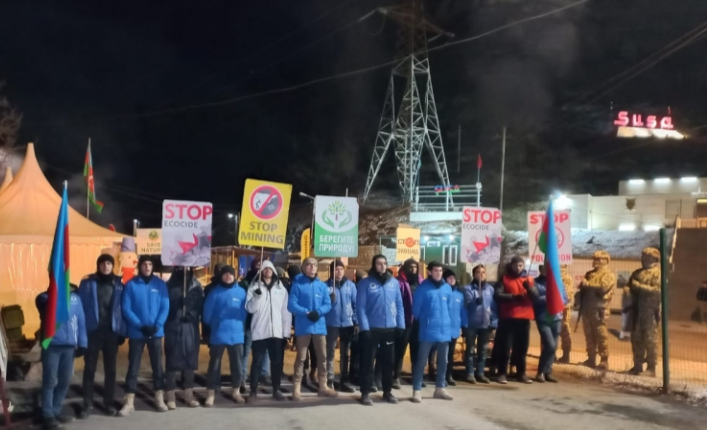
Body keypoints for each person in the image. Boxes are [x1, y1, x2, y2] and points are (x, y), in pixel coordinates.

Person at [77, 254, 126, 418]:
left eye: (108, 263)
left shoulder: (119, 284)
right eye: (102, 263)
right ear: (97, 265)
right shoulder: (87, 283)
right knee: (89, 368)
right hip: (92, 331)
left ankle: (108, 403)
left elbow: (122, 309)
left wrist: (122, 331)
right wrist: (81, 333)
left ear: (112, 266)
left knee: (110, 370)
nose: (105, 266)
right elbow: (80, 309)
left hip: (111, 331)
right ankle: (87, 404)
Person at [120, 255, 170, 416]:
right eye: (144, 264)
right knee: (133, 366)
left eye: (150, 264)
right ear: (139, 266)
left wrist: (157, 325)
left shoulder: (160, 284)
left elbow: (165, 306)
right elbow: (126, 308)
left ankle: (159, 398)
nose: (147, 267)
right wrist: (140, 325)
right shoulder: (131, 285)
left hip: (155, 332)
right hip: (137, 332)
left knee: (157, 366)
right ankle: (129, 401)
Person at [36, 284, 87, 429]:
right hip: (52, 345)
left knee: (65, 380)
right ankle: (48, 415)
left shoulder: (76, 299)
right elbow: (44, 309)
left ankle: (56, 410)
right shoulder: (45, 297)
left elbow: (81, 321)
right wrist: (54, 296)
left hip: (69, 346)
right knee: (50, 381)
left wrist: (83, 343)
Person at [357, 254, 405, 406]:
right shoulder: (365, 283)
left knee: (388, 363)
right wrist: (364, 328)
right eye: (379, 263)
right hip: (372, 329)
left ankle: (387, 391)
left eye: (384, 263)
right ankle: (365, 392)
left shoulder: (394, 283)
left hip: (389, 329)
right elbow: (361, 307)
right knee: (367, 362)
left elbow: (399, 305)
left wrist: (400, 325)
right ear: (374, 265)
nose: (382, 266)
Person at [288, 257, 337, 400]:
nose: (312, 267)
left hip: (319, 327)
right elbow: (291, 305)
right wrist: (306, 312)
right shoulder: (297, 284)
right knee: (301, 358)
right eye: (308, 264)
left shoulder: (321, 286)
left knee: (322, 357)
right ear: (303, 267)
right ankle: (296, 388)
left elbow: (327, 304)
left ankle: (323, 386)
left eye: (314, 265)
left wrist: (319, 312)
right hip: (303, 327)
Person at [245, 260, 292, 401]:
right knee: (257, 362)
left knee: (277, 362)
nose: (267, 271)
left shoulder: (280, 289)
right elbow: (250, 308)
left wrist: (286, 331)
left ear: (273, 271)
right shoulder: (254, 287)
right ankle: (253, 391)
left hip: (276, 332)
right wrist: (257, 297)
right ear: (261, 271)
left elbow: (286, 311)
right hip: (260, 331)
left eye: (270, 269)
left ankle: (276, 389)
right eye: (265, 269)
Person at [203, 265, 247, 406]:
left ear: (235, 276)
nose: (228, 277)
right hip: (219, 334)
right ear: (221, 276)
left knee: (237, 365)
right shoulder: (214, 293)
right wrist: (215, 324)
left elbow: (245, 311)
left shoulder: (241, 292)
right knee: (214, 365)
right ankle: (211, 392)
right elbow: (206, 315)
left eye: (231, 274)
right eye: (225, 274)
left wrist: (239, 321)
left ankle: (236, 391)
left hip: (237, 335)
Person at [411, 261, 454, 403]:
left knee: (443, 361)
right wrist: (426, 321)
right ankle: (417, 390)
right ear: (429, 272)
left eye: (440, 270)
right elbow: (416, 311)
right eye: (435, 270)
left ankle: (440, 388)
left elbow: (450, 308)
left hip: (444, 330)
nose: (438, 273)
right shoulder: (423, 289)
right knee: (421, 361)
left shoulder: (447, 288)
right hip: (428, 330)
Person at [494, 256, 538, 385]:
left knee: (522, 348)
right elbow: (497, 295)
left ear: (523, 266)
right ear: (511, 265)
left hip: (524, 318)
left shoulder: (529, 280)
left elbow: (536, 297)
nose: (518, 268)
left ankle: (521, 373)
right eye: (516, 265)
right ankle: (502, 373)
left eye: (520, 266)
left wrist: (529, 288)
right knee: (505, 347)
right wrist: (514, 297)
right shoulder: (504, 278)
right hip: (508, 317)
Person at [164, 267, 203, 409]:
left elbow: (200, 306)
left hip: (190, 326)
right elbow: (164, 305)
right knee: (172, 361)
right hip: (174, 326)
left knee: (190, 360)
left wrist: (191, 314)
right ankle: (170, 395)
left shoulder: (196, 286)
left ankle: (188, 394)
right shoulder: (169, 286)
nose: (184, 271)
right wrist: (175, 307)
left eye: (187, 268)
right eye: (181, 268)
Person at [578, 251, 616, 370]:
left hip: (599, 309)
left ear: (606, 261)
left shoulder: (608, 275)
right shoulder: (589, 274)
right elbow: (582, 288)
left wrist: (587, 285)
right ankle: (591, 358)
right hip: (587, 308)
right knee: (589, 335)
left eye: (599, 259)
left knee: (601, 335)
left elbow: (602, 289)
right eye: (595, 259)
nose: (596, 262)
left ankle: (604, 360)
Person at [627, 248, 661, 377]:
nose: (643, 259)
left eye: (646, 257)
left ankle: (651, 368)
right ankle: (637, 365)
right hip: (636, 310)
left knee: (650, 339)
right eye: (642, 256)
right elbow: (629, 286)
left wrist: (639, 287)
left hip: (650, 311)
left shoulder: (658, 273)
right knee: (636, 338)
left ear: (654, 259)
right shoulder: (637, 273)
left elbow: (657, 291)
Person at [325, 260, 358, 393]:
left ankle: (344, 379)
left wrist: (356, 321)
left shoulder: (350, 285)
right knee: (330, 352)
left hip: (347, 324)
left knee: (345, 353)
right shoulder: (325, 286)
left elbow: (355, 304)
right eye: (336, 269)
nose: (339, 272)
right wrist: (329, 299)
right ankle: (330, 379)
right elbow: (321, 304)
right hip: (331, 323)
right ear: (332, 271)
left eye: (341, 269)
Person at [240, 258, 270, 391]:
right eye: (258, 266)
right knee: (246, 350)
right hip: (250, 321)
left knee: (265, 351)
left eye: (262, 267)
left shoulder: (267, 283)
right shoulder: (246, 283)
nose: (260, 269)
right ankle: (242, 376)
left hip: (264, 321)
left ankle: (264, 374)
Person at [532, 265, 565, 383]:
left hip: (556, 317)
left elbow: (565, 298)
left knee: (554, 346)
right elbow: (534, 299)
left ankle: (548, 372)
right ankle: (540, 372)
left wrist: (559, 300)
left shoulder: (558, 282)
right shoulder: (535, 282)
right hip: (543, 317)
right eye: (544, 269)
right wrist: (547, 299)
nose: (546, 271)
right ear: (540, 270)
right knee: (550, 344)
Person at [463, 264, 495, 384]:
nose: (481, 275)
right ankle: (470, 373)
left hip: (485, 324)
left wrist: (494, 322)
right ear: (474, 274)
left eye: (483, 272)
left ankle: (480, 372)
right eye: (478, 273)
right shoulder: (468, 288)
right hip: (472, 324)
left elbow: (493, 307)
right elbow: (467, 305)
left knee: (483, 350)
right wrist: (475, 302)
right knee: (470, 349)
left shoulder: (490, 289)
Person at [394, 258, 422, 389]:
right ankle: (395, 377)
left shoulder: (422, 282)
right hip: (404, 322)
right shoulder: (399, 282)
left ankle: (416, 377)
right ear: (405, 268)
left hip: (418, 323)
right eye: (410, 267)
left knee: (416, 352)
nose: (413, 270)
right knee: (400, 351)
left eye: (415, 267)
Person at [443, 269, 467, 387]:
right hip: (441, 328)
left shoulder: (459, 295)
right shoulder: (441, 292)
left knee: (450, 354)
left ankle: (448, 375)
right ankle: (436, 374)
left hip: (454, 328)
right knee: (439, 353)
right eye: (449, 278)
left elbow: (463, 312)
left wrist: (464, 326)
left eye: (453, 277)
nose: (452, 280)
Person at [202, 263, 225, 344]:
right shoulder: (209, 288)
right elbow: (205, 310)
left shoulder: (231, 288)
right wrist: (206, 333)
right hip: (213, 325)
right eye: (217, 271)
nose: (219, 273)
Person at [557, 265, 575, 362]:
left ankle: (566, 355)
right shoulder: (553, 275)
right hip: (554, 308)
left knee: (564, 332)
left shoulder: (565, 277)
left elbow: (568, 294)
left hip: (563, 309)